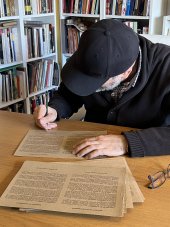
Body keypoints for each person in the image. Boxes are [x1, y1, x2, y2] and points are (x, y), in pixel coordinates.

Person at [33, 19, 170, 159]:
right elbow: (70, 92)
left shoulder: (166, 65)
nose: (87, 84)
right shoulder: (93, 51)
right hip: (88, 148)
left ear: (126, 72)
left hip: (145, 158)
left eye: (95, 82)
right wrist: (55, 109)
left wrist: (126, 142)